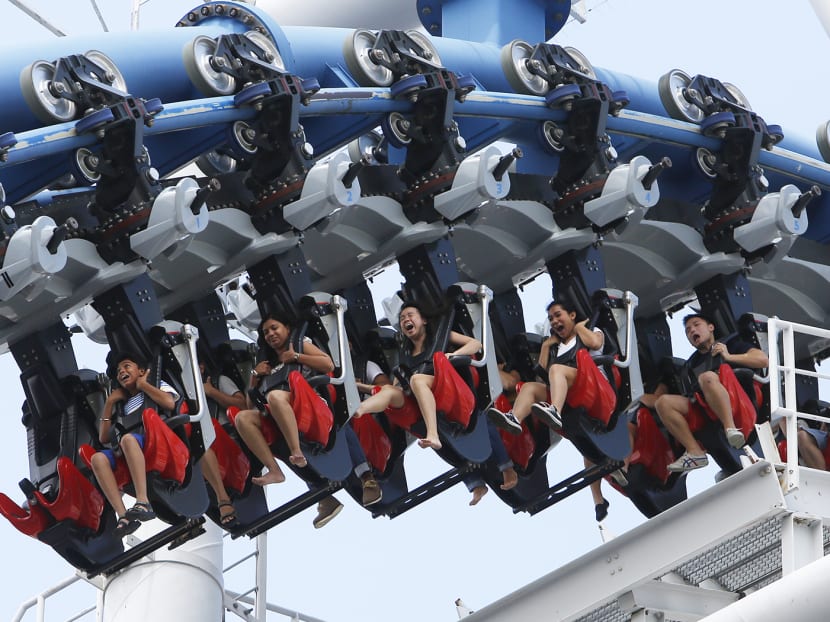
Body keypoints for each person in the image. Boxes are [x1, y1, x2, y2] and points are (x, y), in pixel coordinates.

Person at [487, 299, 616, 520]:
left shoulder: (590, 330)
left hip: (595, 391)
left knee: (558, 369)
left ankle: (554, 410)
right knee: (530, 387)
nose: (555, 321)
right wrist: (547, 346)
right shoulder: (557, 347)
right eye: (551, 318)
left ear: (572, 315)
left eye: (558, 315)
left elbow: (595, 343)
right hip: (571, 394)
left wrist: (580, 328)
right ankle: (514, 419)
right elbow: (543, 373)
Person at [353, 301, 483, 451]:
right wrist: (361, 386)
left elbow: (476, 344)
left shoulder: (440, 336)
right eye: (402, 318)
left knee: (417, 379)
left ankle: (433, 434)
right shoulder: (405, 353)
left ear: (424, 320)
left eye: (410, 315)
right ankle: (360, 409)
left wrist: (453, 355)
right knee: (389, 390)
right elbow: (396, 387)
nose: (405, 320)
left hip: (453, 394)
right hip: (420, 403)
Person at [655, 312, 768, 473]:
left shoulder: (731, 345)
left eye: (696, 325)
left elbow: (762, 360)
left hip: (739, 406)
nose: (692, 331)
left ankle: (730, 428)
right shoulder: (690, 366)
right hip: (708, 412)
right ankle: (695, 452)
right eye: (688, 330)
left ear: (711, 327)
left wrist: (729, 356)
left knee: (707, 377)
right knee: (663, 403)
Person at [90, 352, 179, 538]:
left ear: (141, 371)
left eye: (127, 366)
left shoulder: (155, 385)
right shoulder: (122, 404)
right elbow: (104, 437)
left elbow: (170, 403)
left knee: (128, 439)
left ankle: (143, 501)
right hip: (129, 445)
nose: (122, 371)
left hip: (155, 440)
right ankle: (124, 516)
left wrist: (144, 385)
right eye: (118, 371)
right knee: (97, 458)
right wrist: (110, 402)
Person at [198, 360, 247, 527]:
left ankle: (223, 498)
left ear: (201, 367)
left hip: (228, 441)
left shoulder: (219, 381)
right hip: (203, 447)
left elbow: (242, 404)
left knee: (203, 436)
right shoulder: (184, 393)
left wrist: (212, 392)